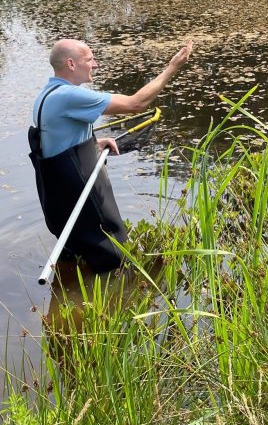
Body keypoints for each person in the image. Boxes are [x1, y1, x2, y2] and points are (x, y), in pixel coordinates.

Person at [29, 39, 194, 273]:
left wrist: (93, 143)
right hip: (79, 191)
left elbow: (55, 138)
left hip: (57, 196)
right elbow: (136, 103)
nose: (95, 65)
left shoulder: (46, 95)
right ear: (71, 64)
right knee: (115, 254)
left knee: (78, 251)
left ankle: (75, 285)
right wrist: (173, 67)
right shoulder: (69, 96)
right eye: (90, 60)